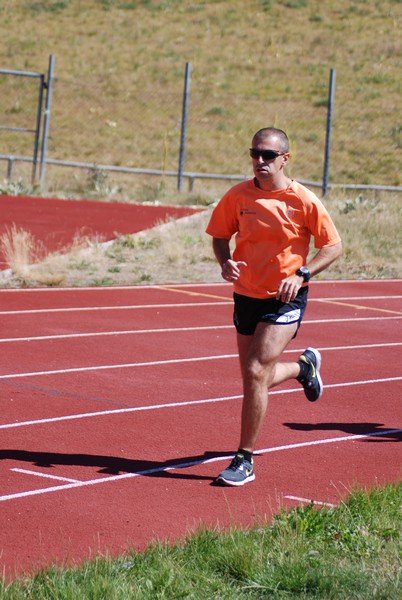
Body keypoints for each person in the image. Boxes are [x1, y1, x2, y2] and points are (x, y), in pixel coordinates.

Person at [206, 127, 342, 486]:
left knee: (254, 372)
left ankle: (244, 460)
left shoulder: (303, 199)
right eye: (255, 153)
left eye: (267, 155)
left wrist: (302, 273)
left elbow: (333, 246)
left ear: (285, 158)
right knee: (254, 379)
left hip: (285, 297)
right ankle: (303, 368)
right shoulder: (237, 196)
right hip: (245, 293)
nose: (259, 161)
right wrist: (225, 262)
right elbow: (220, 236)